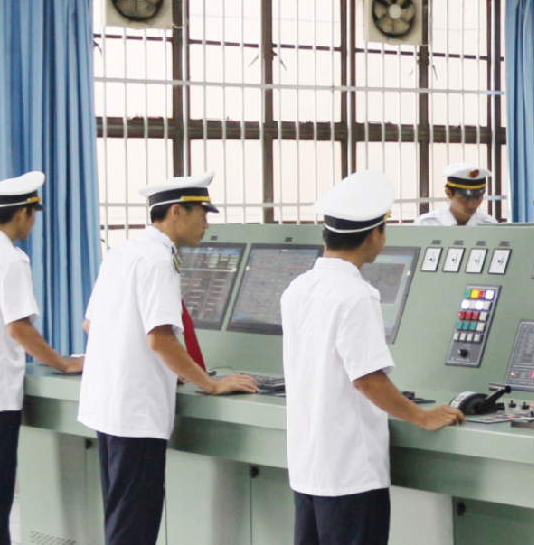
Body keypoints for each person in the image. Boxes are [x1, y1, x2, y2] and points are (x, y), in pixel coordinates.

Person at [281, 170, 465, 545]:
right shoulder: (356, 295)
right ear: (374, 234)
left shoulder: (297, 289)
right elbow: (367, 378)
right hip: (351, 474)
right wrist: (422, 416)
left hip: (307, 469)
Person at [77, 171, 258, 545]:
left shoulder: (123, 252)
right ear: (176, 212)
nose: (207, 223)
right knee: (134, 527)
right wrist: (210, 382)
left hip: (108, 408)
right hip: (136, 415)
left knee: (121, 518)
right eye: (202, 213)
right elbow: (160, 339)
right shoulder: (160, 261)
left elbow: (90, 324)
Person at [0, 171, 83, 545]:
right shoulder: (10, 260)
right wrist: (64, 363)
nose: (33, 223)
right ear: (21, 214)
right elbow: (19, 329)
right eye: (33, 214)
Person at [414, 163, 498, 226]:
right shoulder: (427, 225)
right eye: (465, 198)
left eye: (478, 197)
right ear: (448, 193)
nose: (473, 203)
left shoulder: (489, 225)